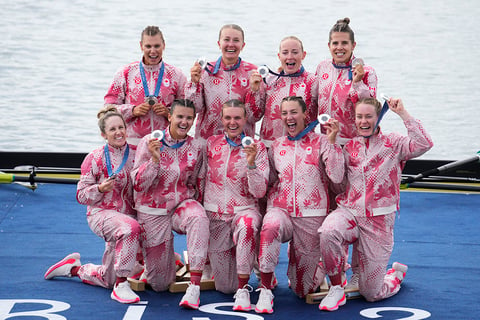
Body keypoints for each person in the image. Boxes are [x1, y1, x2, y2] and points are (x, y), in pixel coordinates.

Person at [318, 97, 433, 311]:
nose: (363, 121)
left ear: (378, 117)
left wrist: (403, 114)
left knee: (371, 294)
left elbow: (424, 144)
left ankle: (394, 275)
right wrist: (332, 143)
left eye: (368, 116)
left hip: (378, 220)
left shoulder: (394, 143)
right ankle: (336, 287)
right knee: (328, 231)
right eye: (359, 116)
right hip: (349, 212)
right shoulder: (350, 146)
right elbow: (336, 178)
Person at [254, 96, 345, 314]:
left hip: (311, 215)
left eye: (293, 112)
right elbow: (271, 182)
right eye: (284, 113)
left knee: (303, 289)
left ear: (305, 115)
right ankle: (265, 290)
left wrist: (332, 143)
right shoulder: (276, 145)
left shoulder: (322, 141)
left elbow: (337, 176)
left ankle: (330, 262)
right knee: (270, 225)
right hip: (281, 210)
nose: (289, 117)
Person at [44, 107, 141, 304]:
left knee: (107, 279)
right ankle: (121, 286)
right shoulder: (94, 157)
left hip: (129, 217)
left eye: (121, 127)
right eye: (112, 129)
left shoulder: (137, 154)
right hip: (102, 214)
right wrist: (100, 188)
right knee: (130, 228)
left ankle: (74, 268)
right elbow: (80, 195)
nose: (118, 132)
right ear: (103, 134)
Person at [131, 99, 209, 310]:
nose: (184, 122)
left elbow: (197, 182)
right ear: (170, 117)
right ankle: (78, 269)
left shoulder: (196, 146)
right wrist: (154, 160)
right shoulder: (149, 141)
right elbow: (138, 185)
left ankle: (194, 287)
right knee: (159, 285)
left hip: (181, 205)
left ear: (194, 120)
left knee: (199, 217)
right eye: (180, 117)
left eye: (189, 118)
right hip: (153, 210)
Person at [199, 99, 269, 312]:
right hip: (216, 216)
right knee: (225, 288)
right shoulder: (211, 143)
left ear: (245, 119)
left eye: (237, 118)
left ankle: (244, 289)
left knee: (247, 226)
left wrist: (251, 163)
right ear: (221, 119)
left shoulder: (257, 146)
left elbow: (259, 192)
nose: (232, 122)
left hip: (244, 211)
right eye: (228, 117)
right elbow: (201, 178)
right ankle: (240, 273)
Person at [105, 26, 187, 147]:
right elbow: (107, 109)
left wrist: (169, 112)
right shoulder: (125, 73)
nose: (153, 51)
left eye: (157, 46)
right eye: (148, 46)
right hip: (132, 144)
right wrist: (132, 111)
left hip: (166, 142)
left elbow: (188, 110)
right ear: (141, 46)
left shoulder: (176, 75)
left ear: (164, 45)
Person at [185, 24, 262, 141]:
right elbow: (194, 109)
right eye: (226, 39)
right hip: (208, 140)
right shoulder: (205, 71)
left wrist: (255, 91)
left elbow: (253, 117)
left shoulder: (253, 72)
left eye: (236, 40)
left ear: (243, 45)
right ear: (219, 44)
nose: (231, 44)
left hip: (241, 143)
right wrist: (194, 83)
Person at [316, 17, 377, 145]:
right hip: (326, 140)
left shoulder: (367, 72)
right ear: (329, 45)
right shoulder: (323, 67)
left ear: (353, 45)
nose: (339, 48)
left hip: (354, 142)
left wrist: (358, 83)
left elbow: (371, 108)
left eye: (344, 43)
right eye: (335, 43)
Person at [248, 36, 318, 148]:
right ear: (279, 56)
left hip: (301, 148)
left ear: (303, 55)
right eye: (285, 53)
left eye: (295, 52)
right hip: (269, 146)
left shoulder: (313, 81)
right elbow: (253, 117)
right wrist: (254, 90)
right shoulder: (269, 80)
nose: (290, 57)